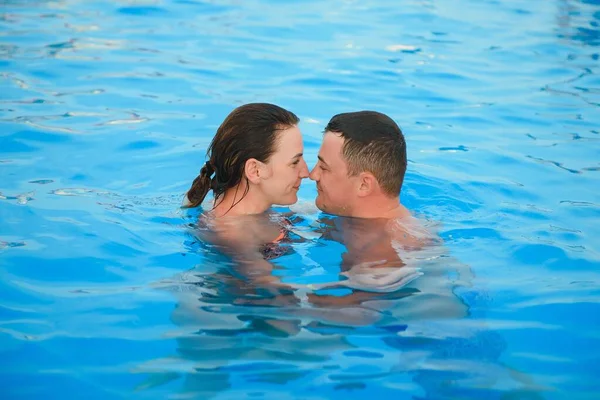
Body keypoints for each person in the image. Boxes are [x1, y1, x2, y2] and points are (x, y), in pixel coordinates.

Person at [183, 103, 309, 285]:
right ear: (255, 170)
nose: (306, 172)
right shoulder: (236, 237)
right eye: (295, 162)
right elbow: (277, 296)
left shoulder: (248, 213)